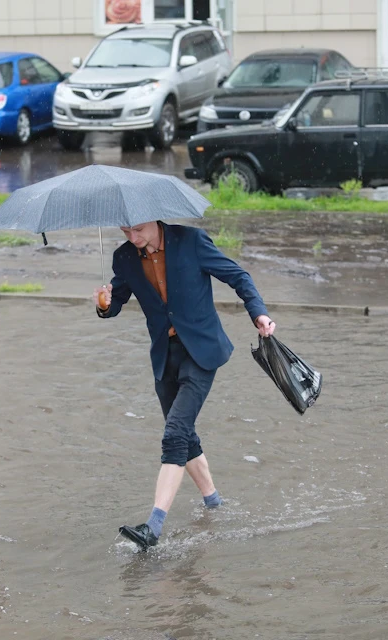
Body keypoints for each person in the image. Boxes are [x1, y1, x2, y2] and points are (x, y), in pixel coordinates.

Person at [94, 220, 275, 551]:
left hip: (202, 351)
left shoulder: (190, 240)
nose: (133, 238)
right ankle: (214, 503)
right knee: (185, 434)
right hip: (165, 357)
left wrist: (258, 313)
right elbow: (117, 299)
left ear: (154, 218)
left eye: (138, 230)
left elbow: (238, 277)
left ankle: (153, 526)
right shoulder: (124, 257)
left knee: (175, 433)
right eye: (125, 232)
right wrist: (105, 304)